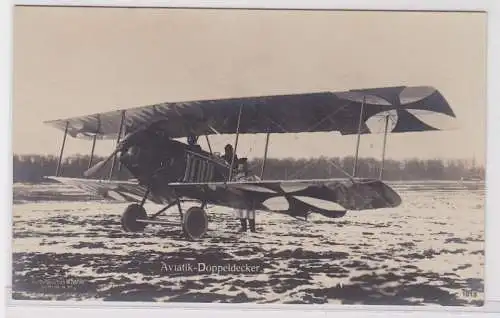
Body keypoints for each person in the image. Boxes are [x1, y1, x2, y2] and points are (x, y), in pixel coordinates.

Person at [233, 158, 257, 233]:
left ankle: (252, 229)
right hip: (240, 195)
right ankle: (244, 228)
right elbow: (234, 182)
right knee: (241, 212)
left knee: (250, 212)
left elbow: (255, 181)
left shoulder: (251, 176)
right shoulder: (237, 176)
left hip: (248, 195)